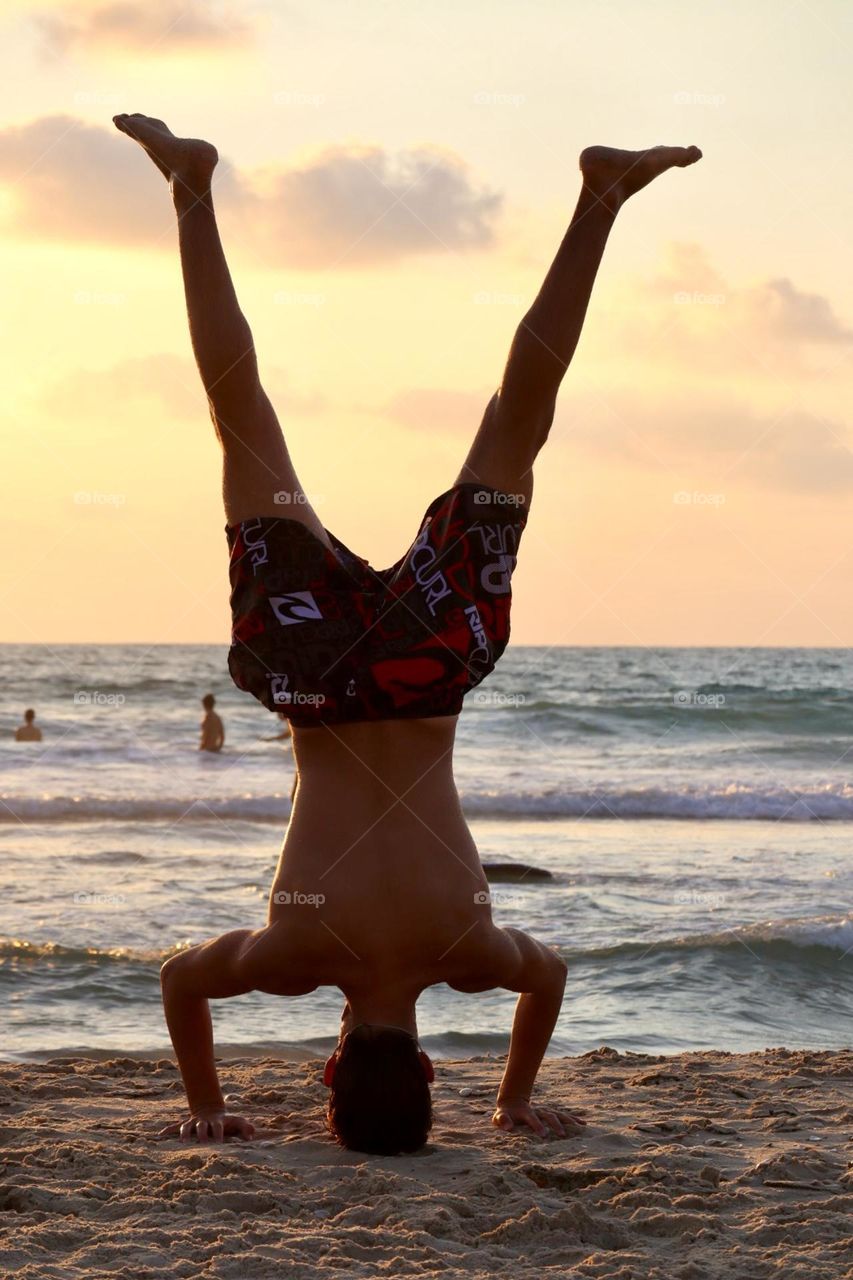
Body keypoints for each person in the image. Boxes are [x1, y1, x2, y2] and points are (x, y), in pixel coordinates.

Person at [113, 112, 701, 1153]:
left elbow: (548, 975)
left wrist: (514, 1092)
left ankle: (601, 198)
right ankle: (191, 189)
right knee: (236, 408)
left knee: (517, 420)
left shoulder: (470, 944)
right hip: (317, 668)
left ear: (427, 1062)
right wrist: (203, 1102)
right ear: (335, 1060)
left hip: (430, 665)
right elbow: (179, 981)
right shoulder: (289, 948)